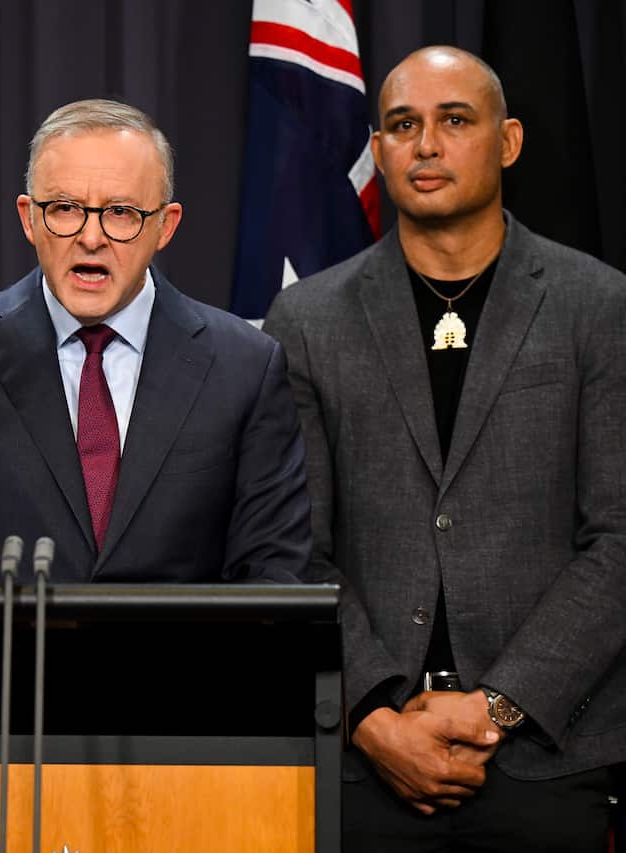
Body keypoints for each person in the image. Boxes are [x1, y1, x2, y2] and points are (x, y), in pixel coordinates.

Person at [263, 46, 626, 851]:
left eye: (453, 120)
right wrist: (372, 717)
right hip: (367, 762)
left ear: (509, 141)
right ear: (380, 148)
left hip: (544, 759)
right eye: (402, 125)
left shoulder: (598, 306)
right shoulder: (306, 320)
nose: (425, 144)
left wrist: (494, 705)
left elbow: (619, 541)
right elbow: (293, 550)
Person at [0, 98, 311, 583]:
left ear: (165, 226)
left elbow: (272, 573)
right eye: (66, 208)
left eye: (120, 212)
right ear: (29, 218)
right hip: (9, 663)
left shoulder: (243, 365)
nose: (91, 237)